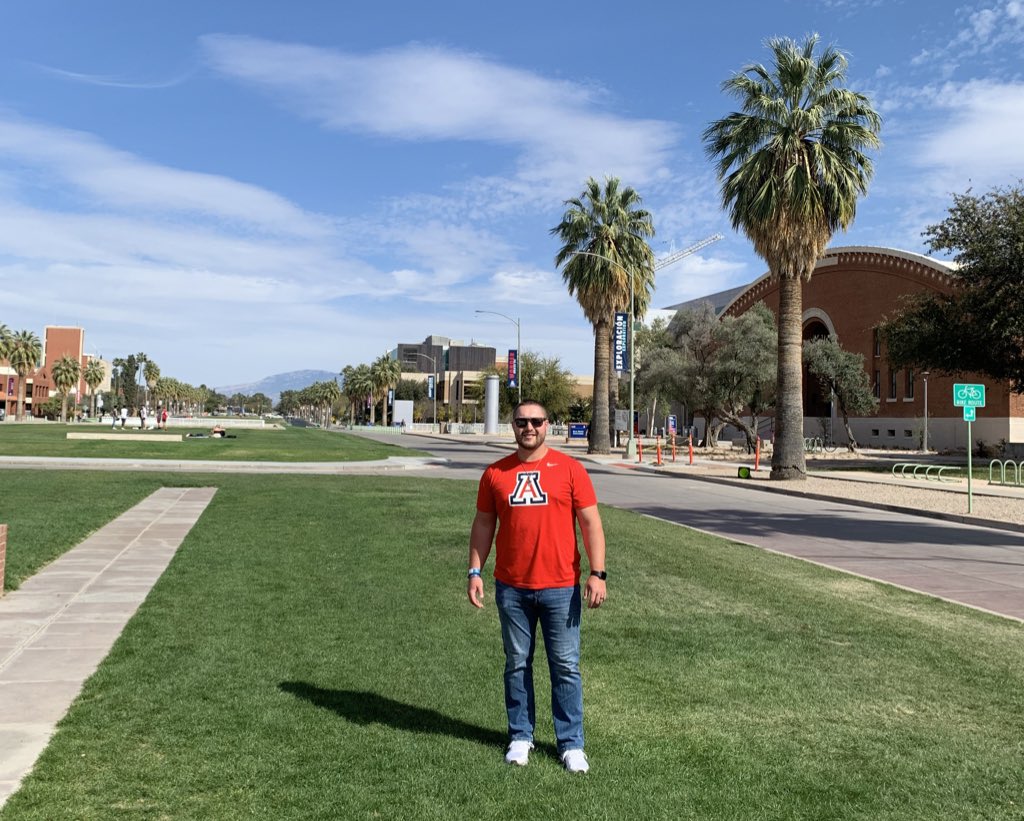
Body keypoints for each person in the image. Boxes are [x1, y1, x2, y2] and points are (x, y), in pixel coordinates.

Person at [467, 399, 607, 774]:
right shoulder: (495, 474)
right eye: (521, 421)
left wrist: (598, 573)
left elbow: (591, 523)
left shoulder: (570, 470)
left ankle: (571, 743)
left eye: (536, 421)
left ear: (548, 425)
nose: (529, 427)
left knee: (565, 665)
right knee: (516, 664)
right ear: (512, 426)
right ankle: (520, 736)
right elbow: (483, 525)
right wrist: (475, 571)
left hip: (561, 587)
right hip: (512, 588)